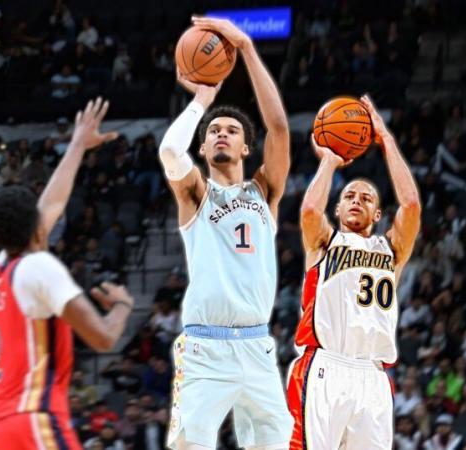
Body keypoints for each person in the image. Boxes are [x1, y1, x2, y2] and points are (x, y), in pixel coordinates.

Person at [158, 16, 292, 450]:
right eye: (214, 130)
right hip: (205, 349)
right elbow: (168, 150)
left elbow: (279, 128)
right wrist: (202, 99)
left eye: (231, 130)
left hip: (257, 345)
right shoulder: (196, 194)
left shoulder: (265, 190)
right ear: (204, 147)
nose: (221, 133)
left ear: (245, 148)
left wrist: (248, 49)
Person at [0, 98, 134, 450]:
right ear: (36, 229)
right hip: (33, 420)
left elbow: (50, 205)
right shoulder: (40, 268)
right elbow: (103, 339)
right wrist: (122, 306)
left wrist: (78, 144)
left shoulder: (2, 266)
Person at [288, 95, 421, 449]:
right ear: (338, 207)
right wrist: (330, 162)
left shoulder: (390, 251)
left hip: (373, 376)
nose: (358, 200)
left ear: (378, 215)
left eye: (366, 197)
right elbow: (308, 212)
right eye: (350, 196)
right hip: (326, 368)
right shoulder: (323, 242)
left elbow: (410, 205)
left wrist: (386, 139)